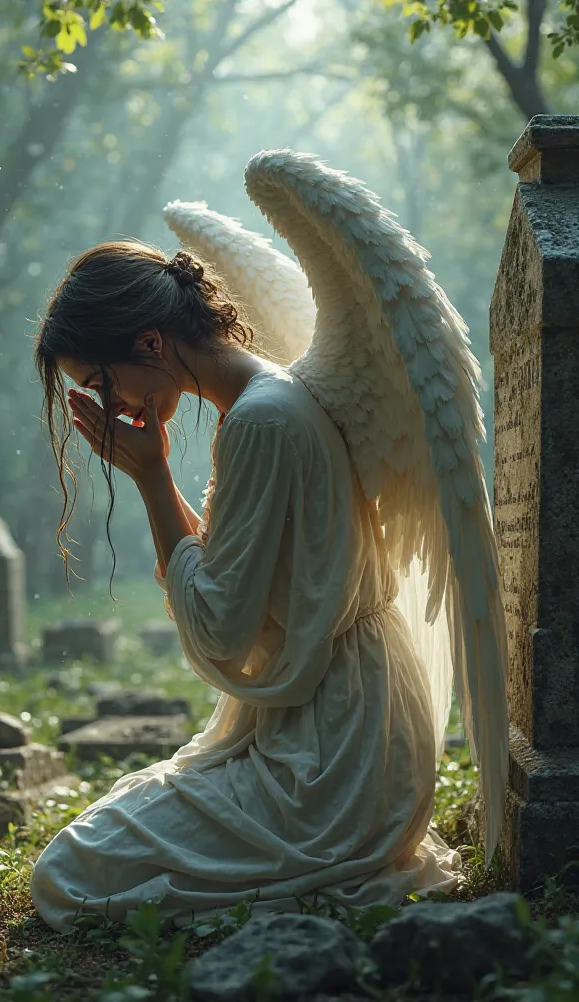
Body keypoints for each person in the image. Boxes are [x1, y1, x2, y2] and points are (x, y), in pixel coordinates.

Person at [30, 238, 461, 934]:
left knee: (70, 873)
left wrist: (152, 479)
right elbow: (243, 574)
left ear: (149, 340)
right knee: (96, 843)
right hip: (345, 722)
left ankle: (335, 867)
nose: (107, 405)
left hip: (329, 756)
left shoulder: (261, 419)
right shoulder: (266, 399)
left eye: (100, 382)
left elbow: (225, 630)